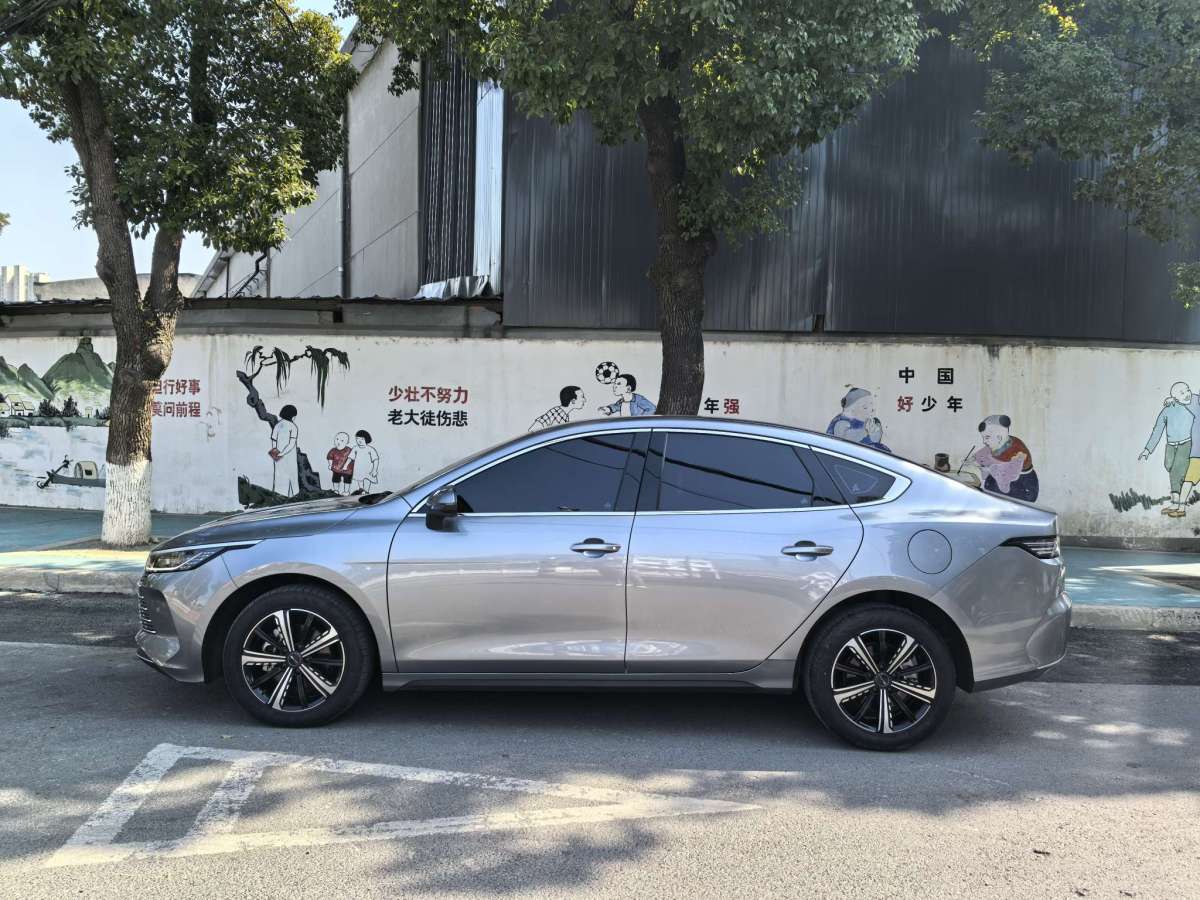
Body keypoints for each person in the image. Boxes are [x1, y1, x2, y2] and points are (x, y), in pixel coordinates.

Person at [1139, 382, 1195, 515]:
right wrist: (1147, 450)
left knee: (1177, 471)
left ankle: (1177, 505)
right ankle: (1175, 503)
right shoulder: (1167, 409)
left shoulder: (1192, 406)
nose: (1187, 394)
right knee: (1169, 467)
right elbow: (1157, 429)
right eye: (1182, 392)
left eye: (1188, 390)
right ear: (1175, 397)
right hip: (1170, 446)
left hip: (1185, 444)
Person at [974, 414, 1039, 502]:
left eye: (987, 438)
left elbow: (1008, 474)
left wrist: (988, 469)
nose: (984, 441)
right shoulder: (997, 444)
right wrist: (973, 460)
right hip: (1003, 482)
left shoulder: (1018, 451)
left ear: (999, 437)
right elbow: (982, 454)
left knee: (993, 491)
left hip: (1022, 486)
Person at [1159, 384, 1200, 518]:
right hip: (1196, 453)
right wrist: (1172, 400)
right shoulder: (1194, 400)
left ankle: (1179, 507)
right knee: (1187, 480)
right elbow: (1183, 398)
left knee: (1188, 480)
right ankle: (1179, 507)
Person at [826, 388, 890, 453]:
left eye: (871, 404)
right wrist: (866, 431)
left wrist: (875, 431)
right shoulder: (841, 421)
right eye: (865, 407)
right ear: (852, 409)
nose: (871, 409)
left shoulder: (870, 421)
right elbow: (844, 441)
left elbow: (875, 440)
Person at [269, 405, 298, 496]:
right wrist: (282, 453)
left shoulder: (278, 425)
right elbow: (291, 444)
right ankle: (295, 499)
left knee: (279, 479)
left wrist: (276, 454)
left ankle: (279, 499)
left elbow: (273, 440)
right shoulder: (293, 427)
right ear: (292, 416)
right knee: (293, 479)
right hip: (290, 457)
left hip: (278, 457)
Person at [351, 429, 380, 494]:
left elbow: (375, 460)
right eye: (357, 439)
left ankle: (366, 491)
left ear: (366, 439)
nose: (359, 441)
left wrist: (374, 470)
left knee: (368, 479)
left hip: (368, 470)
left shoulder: (370, 449)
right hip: (358, 469)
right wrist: (345, 466)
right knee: (359, 480)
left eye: (362, 439)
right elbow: (350, 458)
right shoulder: (355, 448)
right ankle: (361, 490)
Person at [326, 431, 354, 496]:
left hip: (347, 470)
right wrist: (330, 464)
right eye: (337, 439)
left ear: (347, 442)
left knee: (347, 481)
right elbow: (330, 457)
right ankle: (336, 490)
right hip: (336, 469)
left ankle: (346, 491)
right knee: (335, 479)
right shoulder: (333, 450)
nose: (338, 442)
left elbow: (352, 458)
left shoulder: (349, 450)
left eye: (342, 440)